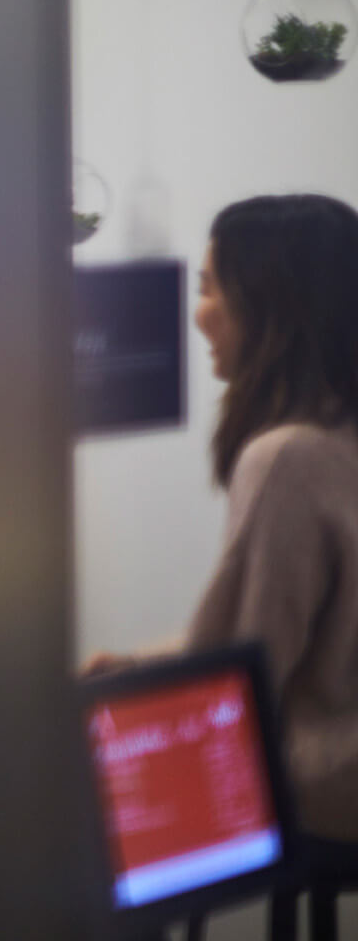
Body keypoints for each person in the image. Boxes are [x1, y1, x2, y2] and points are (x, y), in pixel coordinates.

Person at [90, 194, 357, 869]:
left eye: (209, 288)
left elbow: (242, 666)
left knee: (53, 773)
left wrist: (120, 685)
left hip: (326, 779)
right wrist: (139, 663)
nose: (198, 313)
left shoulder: (287, 458)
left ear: (267, 306)